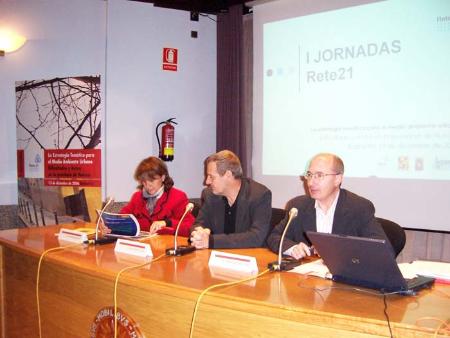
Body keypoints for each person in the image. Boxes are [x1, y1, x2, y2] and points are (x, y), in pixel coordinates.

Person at [267, 153, 387, 259]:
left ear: (337, 179)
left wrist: (336, 251)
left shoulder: (359, 208)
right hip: (307, 279)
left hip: (344, 279)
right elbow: (275, 237)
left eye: (319, 175)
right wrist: (292, 248)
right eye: (309, 175)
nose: (311, 182)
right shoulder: (298, 206)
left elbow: (382, 250)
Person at [190, 150, 272, 249]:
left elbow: (256, 237)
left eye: (211, 177)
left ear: (228, 175)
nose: (207, 181)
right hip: (217, 257)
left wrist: (212, 241)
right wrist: (199, 233)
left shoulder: (259, 195)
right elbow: (198, 224)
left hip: (250, 257)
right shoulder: (209, 195)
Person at [104, 156, 194, 236]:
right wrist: (108, 224)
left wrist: (167, 223)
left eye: (151, 180)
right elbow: (122, 218)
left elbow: (190, 227)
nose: (148, 185)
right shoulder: (137, 197)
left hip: (166, 248)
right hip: (143, 248)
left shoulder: (177, 197)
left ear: (163, 177)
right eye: (144, 181)